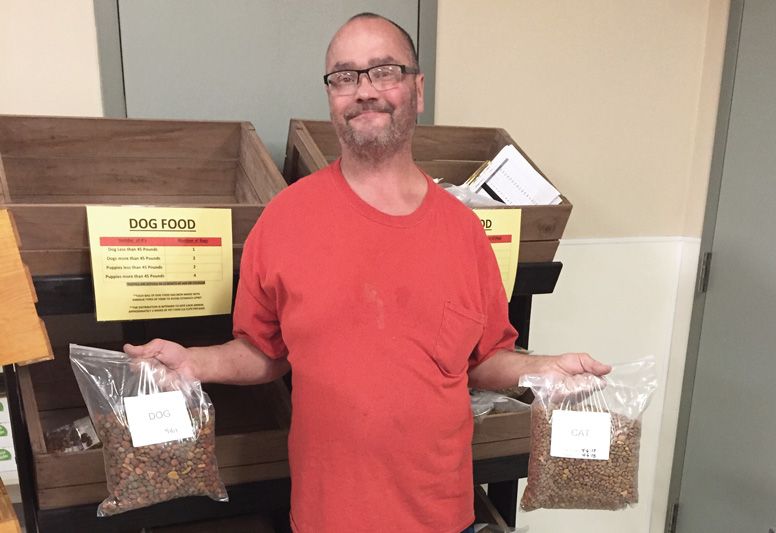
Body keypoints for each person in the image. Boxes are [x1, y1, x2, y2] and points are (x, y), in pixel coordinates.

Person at [124, 12, 611, 533]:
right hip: (326, 516)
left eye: (384, 70)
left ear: (417, 90)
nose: (364, 90)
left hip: (442, 516)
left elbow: (483, 359)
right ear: (332, 95)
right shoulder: (286, 220)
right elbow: (263, 353)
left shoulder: (464, 232)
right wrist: (192, 363)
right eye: (344, 76)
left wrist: (545, 370)